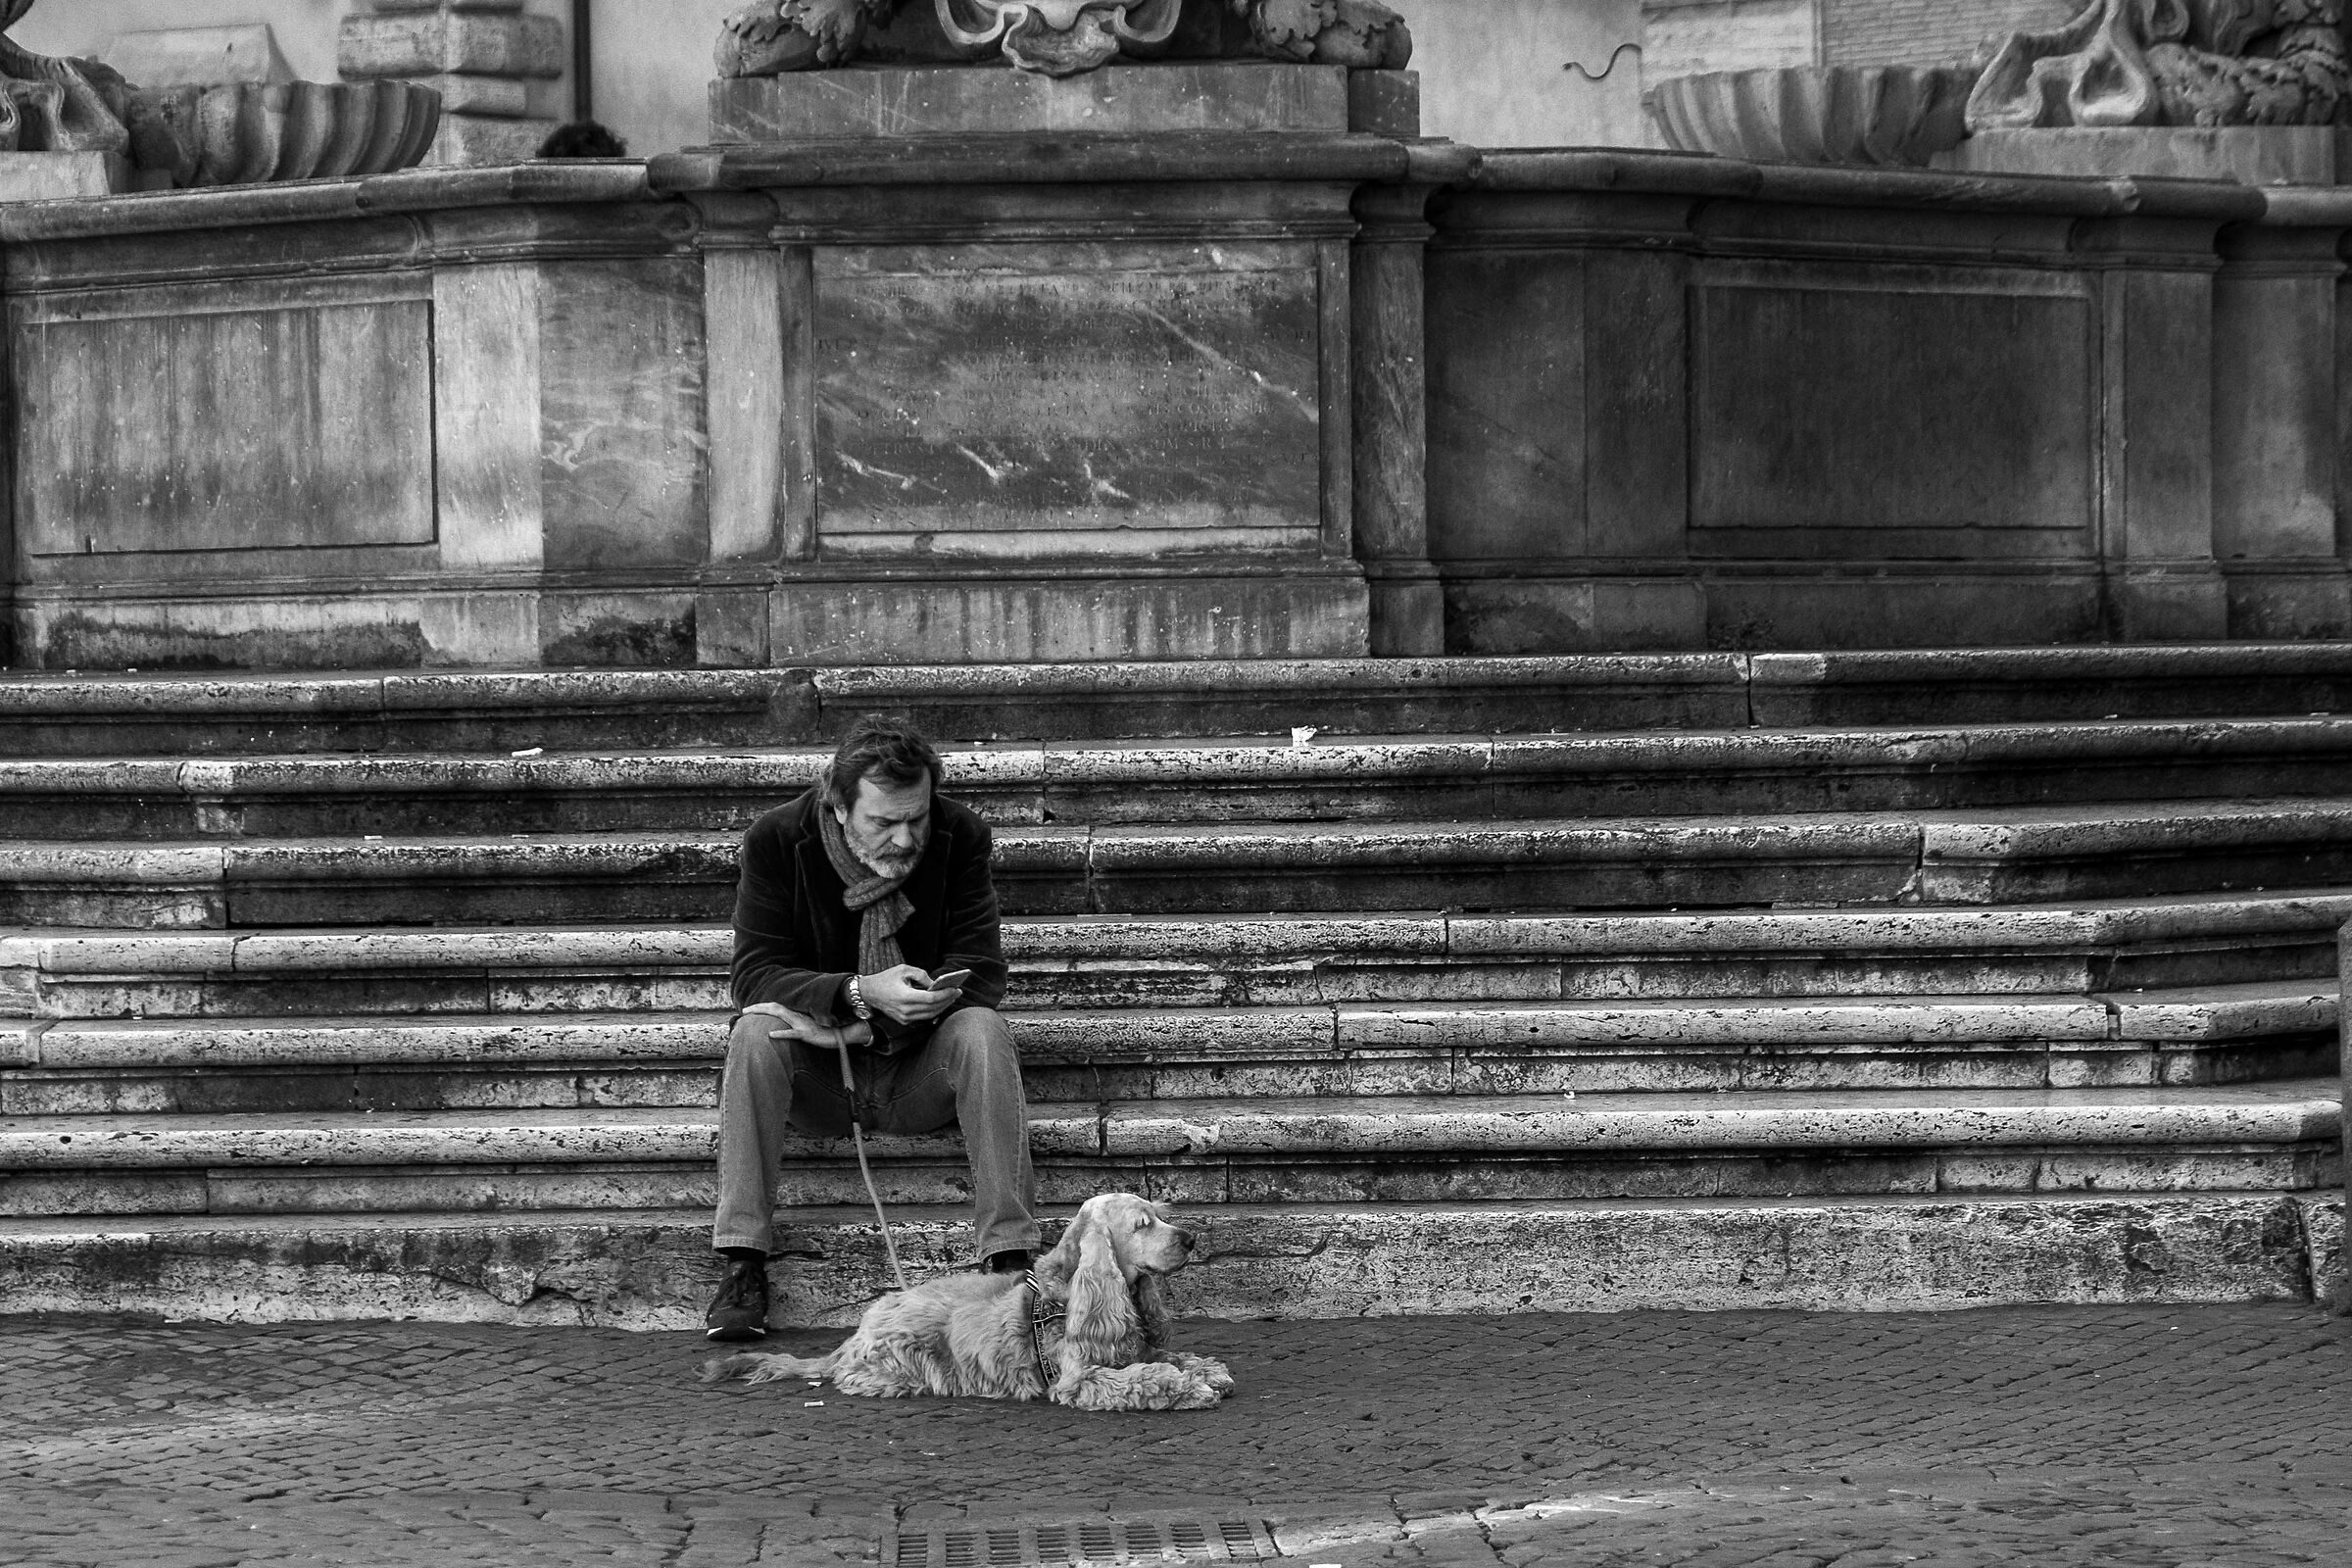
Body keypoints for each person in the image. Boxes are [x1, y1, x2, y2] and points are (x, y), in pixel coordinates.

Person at [705, 714, 1038, 1341]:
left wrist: (875, 1026)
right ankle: (743, 1262)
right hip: (819, 1077)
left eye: (917, 816)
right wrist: (856, 993)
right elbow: (754, 977)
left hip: (916, 1065)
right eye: (883, 822)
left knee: (983, 1030)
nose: (906, 838)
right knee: (751, 1035)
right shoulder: (776, 840)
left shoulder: (961, 834)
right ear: (838, 806)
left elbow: (983, 969)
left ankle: (1011, 1259)